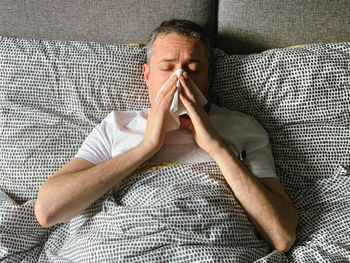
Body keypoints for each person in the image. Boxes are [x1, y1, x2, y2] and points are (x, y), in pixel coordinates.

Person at [35, 19, 298, 252]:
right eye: (167, 68)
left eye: (193, 69)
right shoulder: (116, 126)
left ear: (209, 77)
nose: (180, 78)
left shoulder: (243, 127)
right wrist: (147, 146)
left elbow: (282, 236)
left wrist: (216, 147)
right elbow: (48, 210)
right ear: (147, 75)